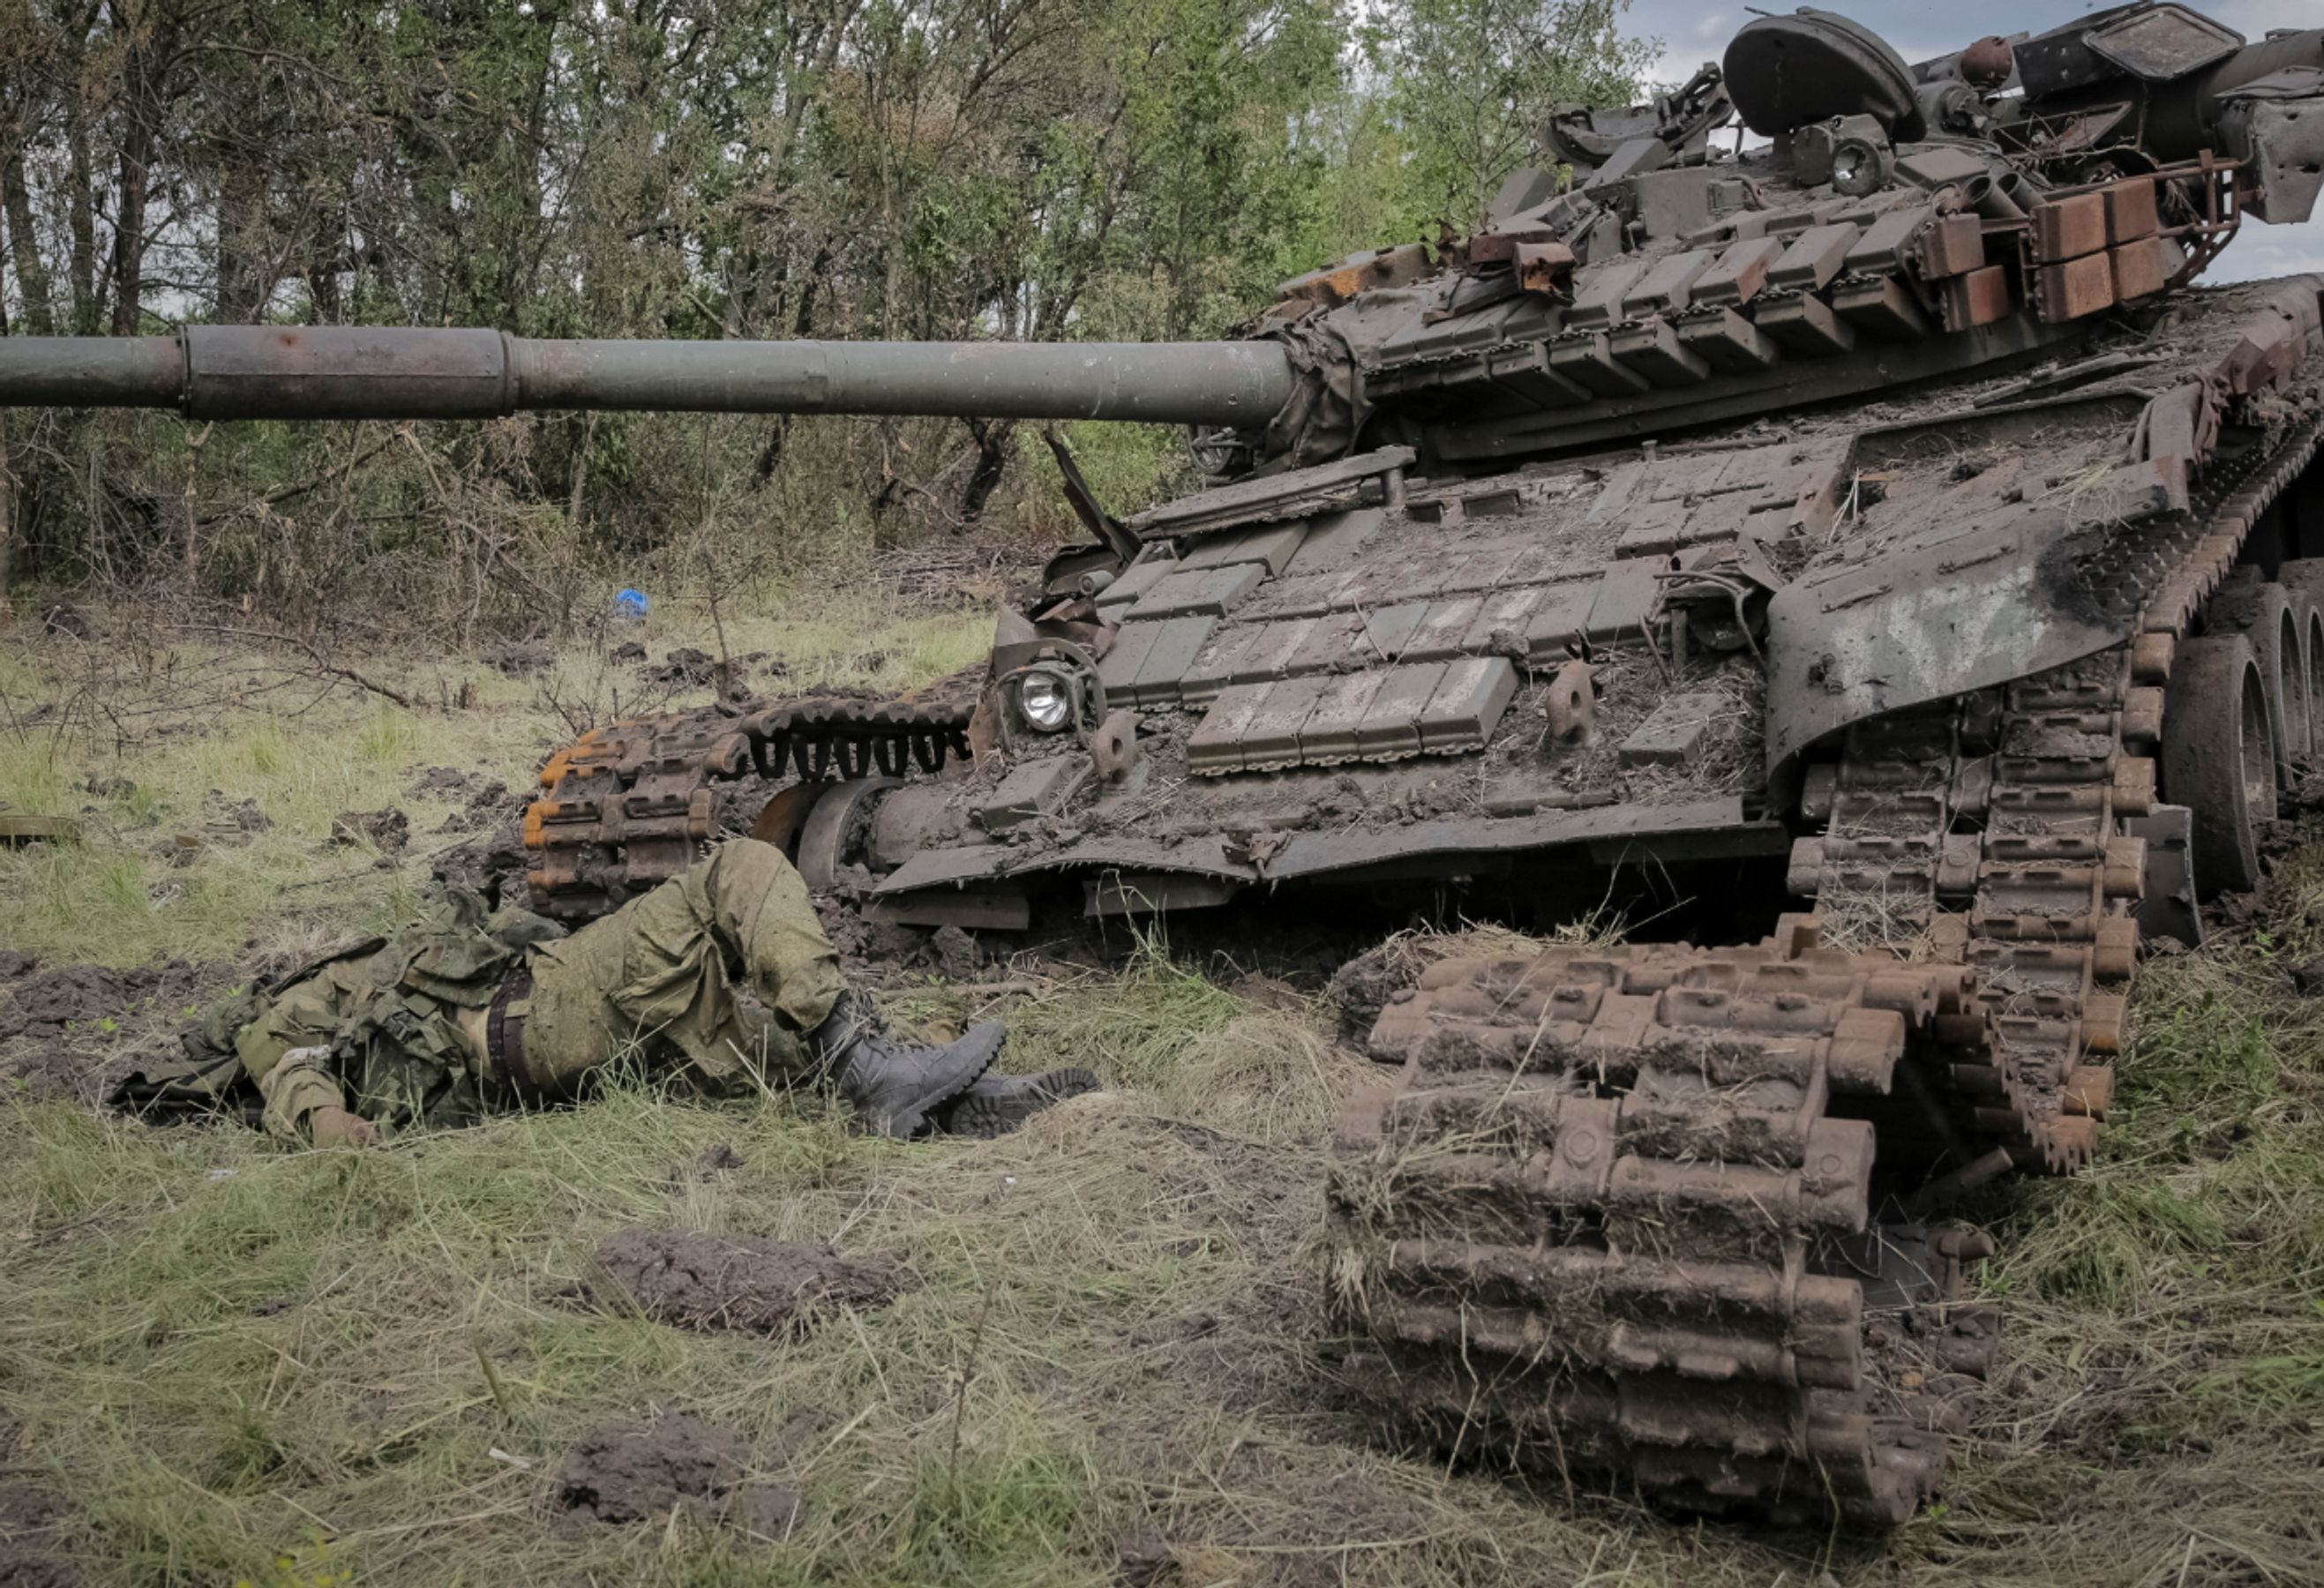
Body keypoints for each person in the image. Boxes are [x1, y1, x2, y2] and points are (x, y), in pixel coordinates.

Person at [116, 838, 1093, 1144]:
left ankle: (949, 1101)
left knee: (792, 1061)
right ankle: (880, 1068)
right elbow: (280, 1055)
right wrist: (325, 1122)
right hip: (540, 1017)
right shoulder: (316, 995)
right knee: (739, 868)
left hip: (580, 1053)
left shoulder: (385, 972)